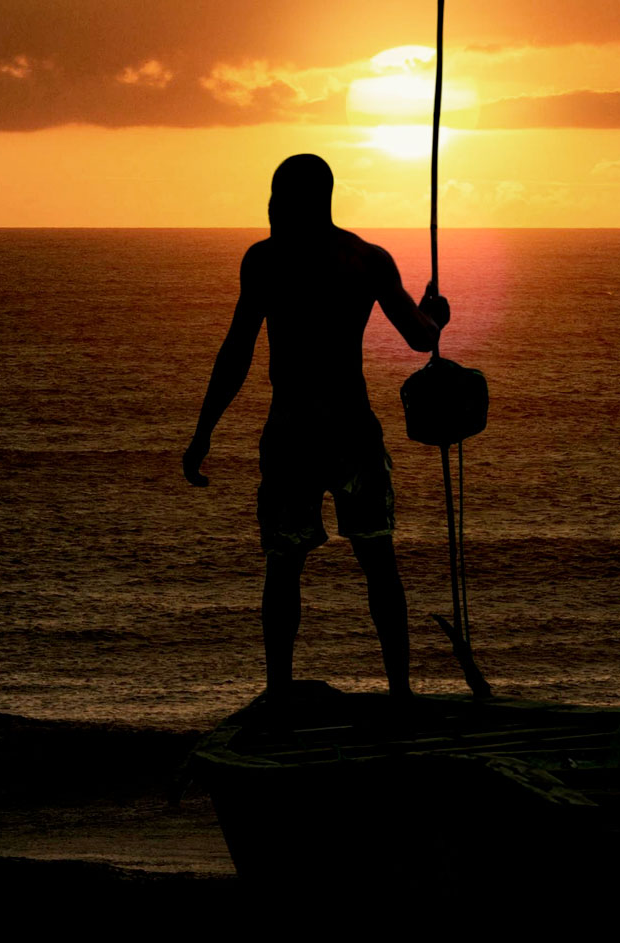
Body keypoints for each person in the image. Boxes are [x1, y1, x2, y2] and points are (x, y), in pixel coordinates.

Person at [182, 153, 449, 702]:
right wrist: (434, 315)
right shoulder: (366, 260)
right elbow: (421, 339)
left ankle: (279, 693)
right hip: (352, 431)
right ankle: (400, 694)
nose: (271, 207)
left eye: (278, 197)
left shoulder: (265, 261)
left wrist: (204, 430)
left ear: (298, 200)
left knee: (284, 567)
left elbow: (237, 352)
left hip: (291, 434)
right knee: (378, 562)